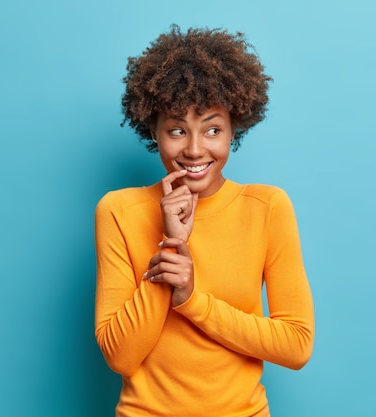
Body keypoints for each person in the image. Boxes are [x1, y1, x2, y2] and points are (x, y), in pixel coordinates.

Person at [94, 24, 314, 417]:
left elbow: (296, 345)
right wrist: (172, 245)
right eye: (177, 130)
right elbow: (121, 357)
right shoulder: (118, 210)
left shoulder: (267, 207)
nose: (195, 150)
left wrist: (193, 301)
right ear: (154, 131)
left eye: (213, 129)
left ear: (234, 130)